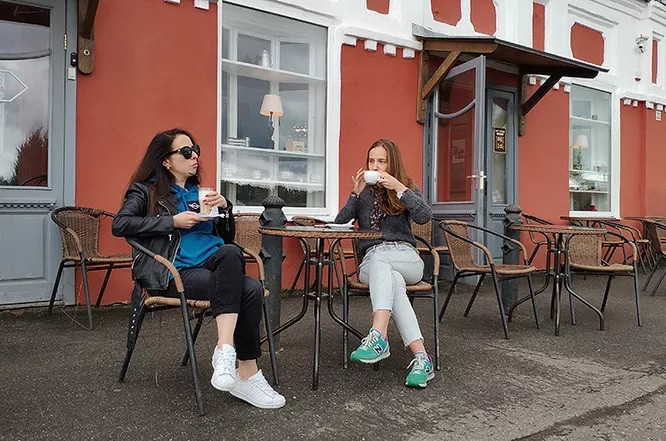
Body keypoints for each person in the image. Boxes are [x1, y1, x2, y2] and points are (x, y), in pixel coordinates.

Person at [112, 128, 285, 409]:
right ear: (166, 160)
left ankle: (225, 350)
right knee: (251, 288)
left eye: (195, 150)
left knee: (230, 252)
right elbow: (120, 224)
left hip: (215, 264)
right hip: (176, 272)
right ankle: (247, 372)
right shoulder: (146, 190)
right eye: (186, 151)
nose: (194, 156)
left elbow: (226, 238)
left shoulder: (200, 192)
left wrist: (225, 208)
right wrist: (172, 222)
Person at [334, 138, 434, 388]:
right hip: (372, 262)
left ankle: (378, 334)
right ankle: (422, 359)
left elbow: (424, 216)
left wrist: (400, 187)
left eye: (382, 161)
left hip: (406, 258)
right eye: (371, 161)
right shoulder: (364, 193)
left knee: (385, 261)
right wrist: (355, 193)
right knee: (391, 279)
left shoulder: (406, 187)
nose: (375, 166)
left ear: (393, 164)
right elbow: (339, 223)